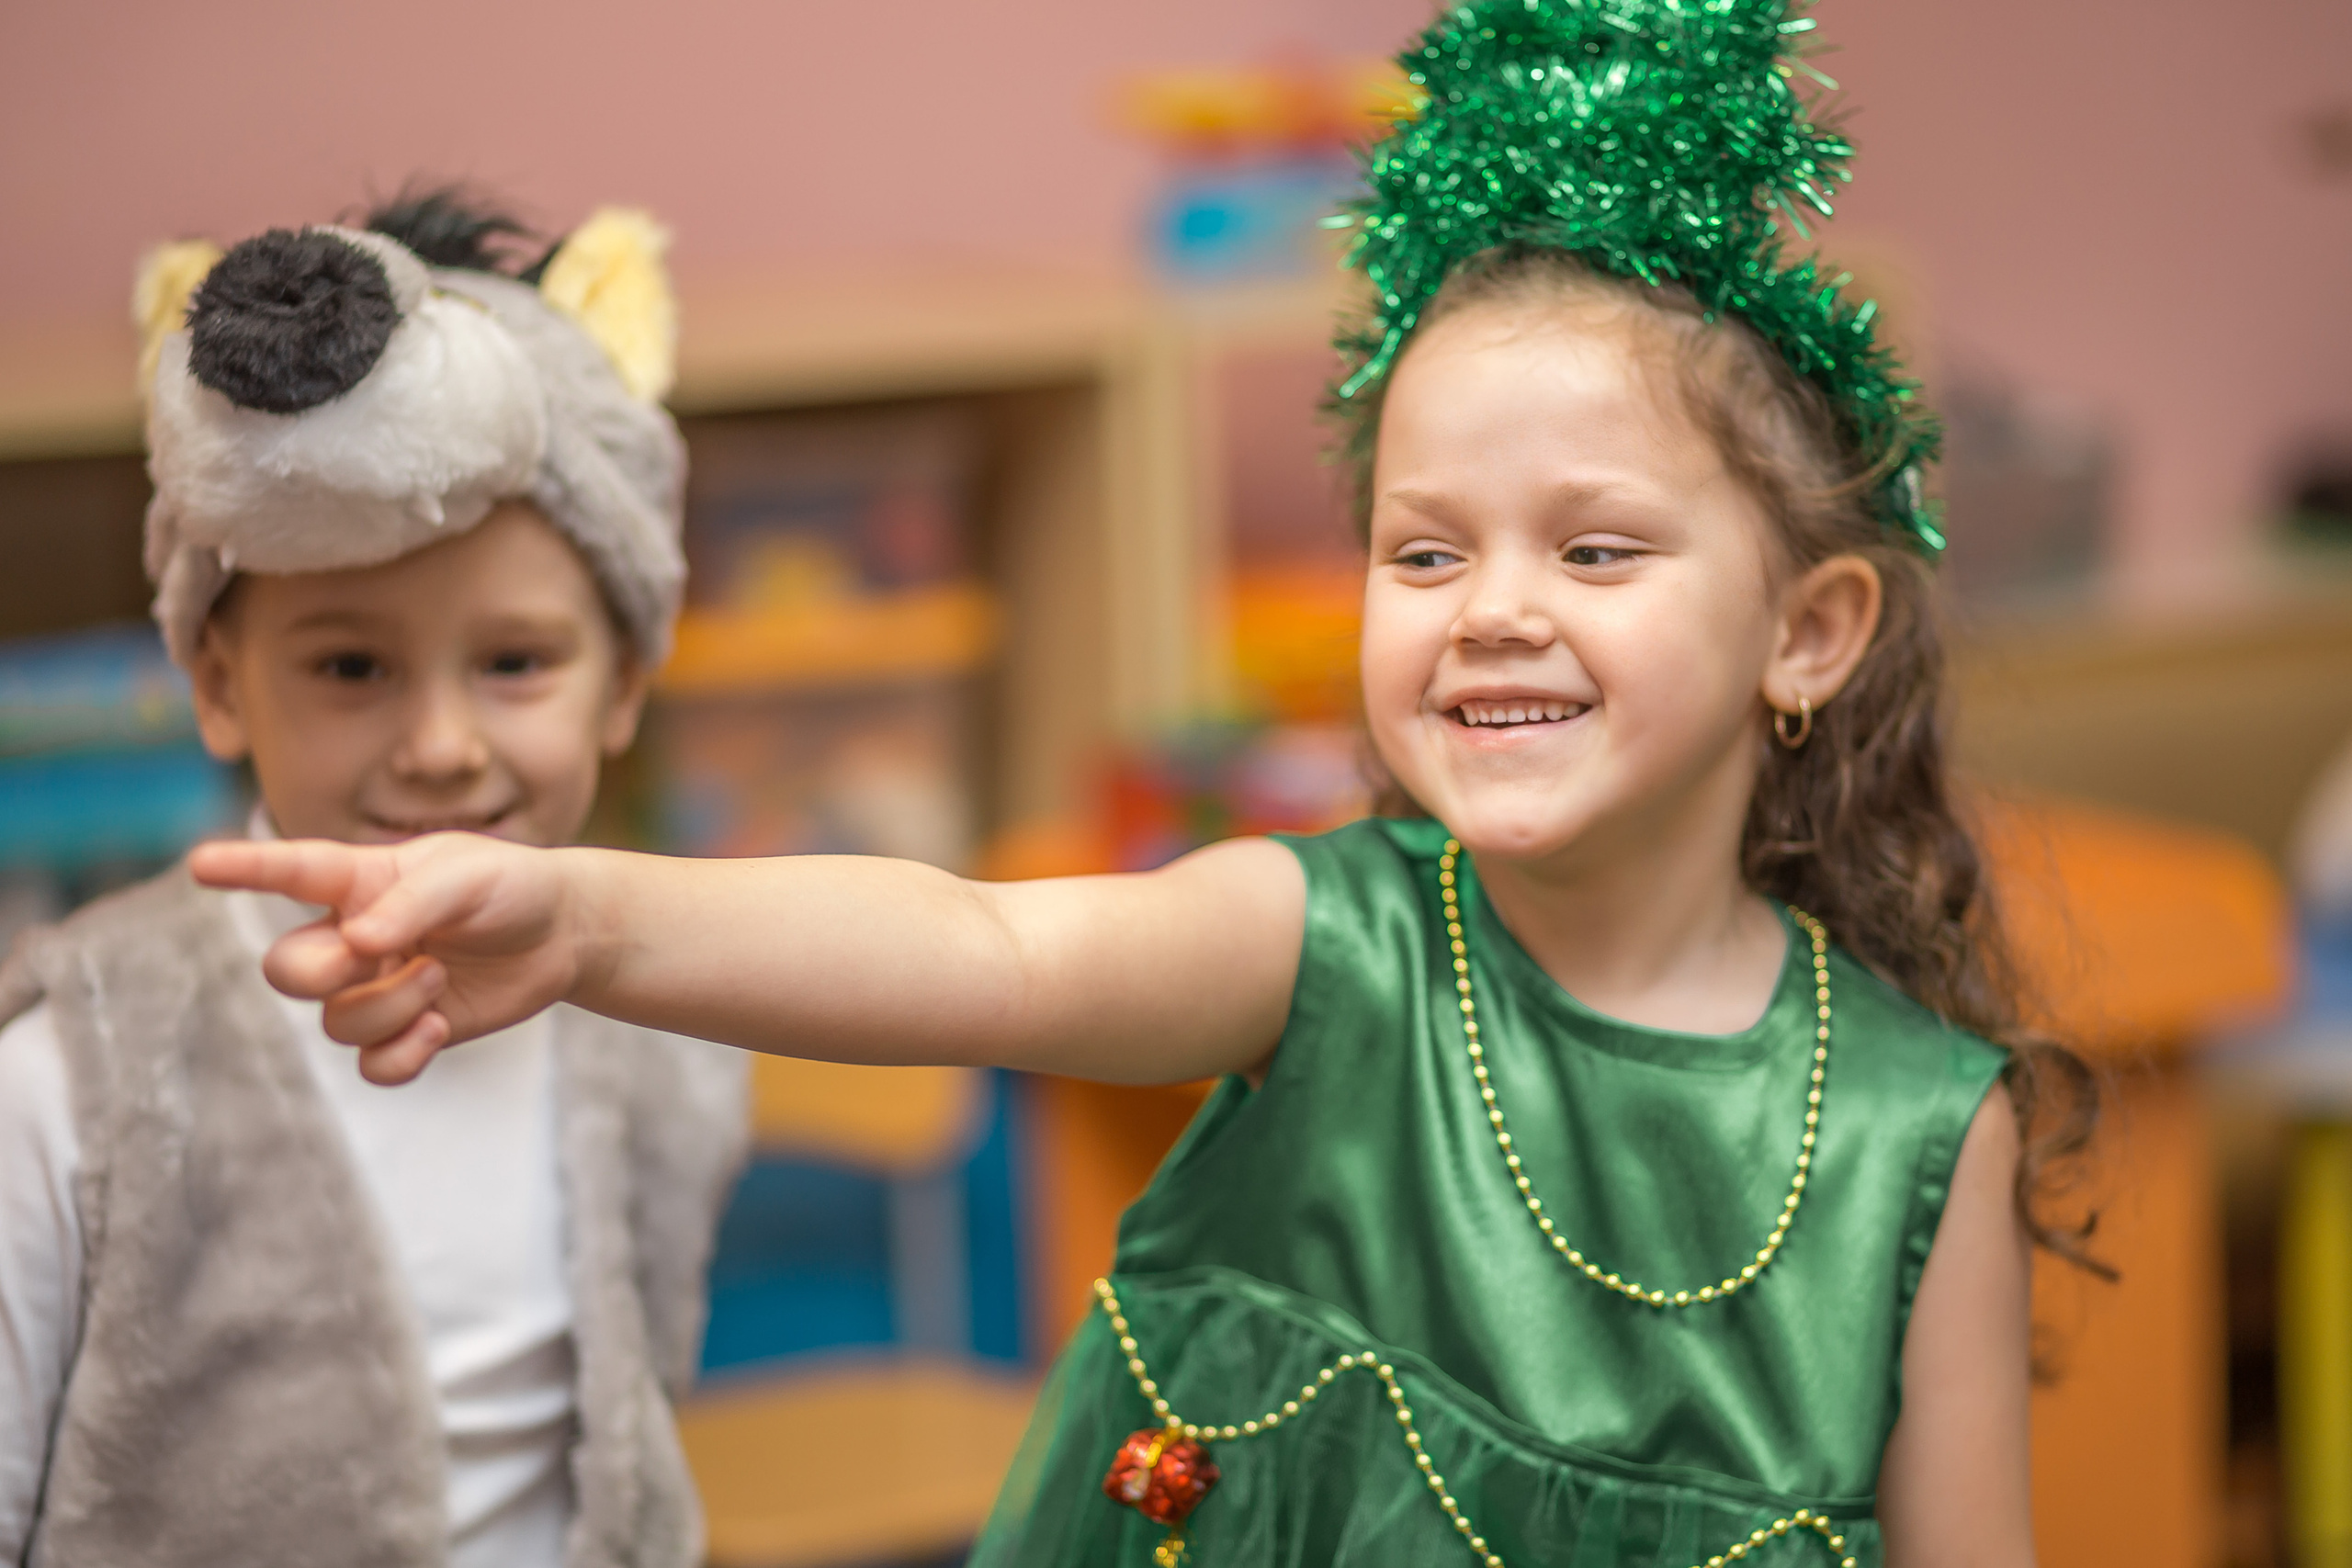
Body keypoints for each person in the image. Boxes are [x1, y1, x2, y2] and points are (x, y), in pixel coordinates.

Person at [192, 6, 2097, 1564]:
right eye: (1423, 555)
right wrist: (591, 909)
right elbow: (977, 946)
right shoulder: (1323, 941)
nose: (1489, 613)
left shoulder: (1925, 1123)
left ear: (1809, 629)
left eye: (1592, 552)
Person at [0, 191, 748, 1568]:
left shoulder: (662, 1030)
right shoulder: (63, 1085)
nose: (443, 748)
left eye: (515, 662)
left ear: (626, 680)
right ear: (220, 685)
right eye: (351, 667)